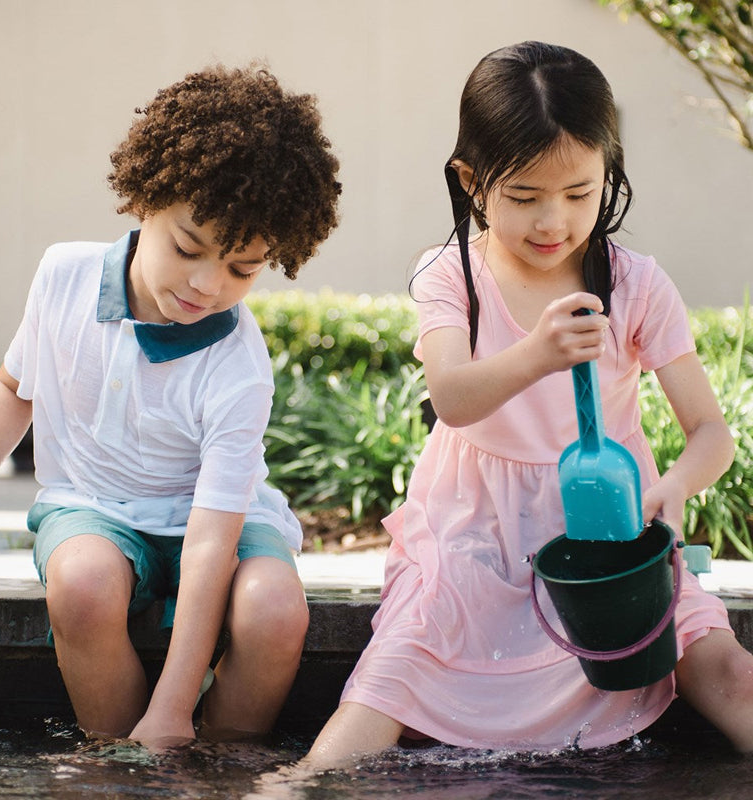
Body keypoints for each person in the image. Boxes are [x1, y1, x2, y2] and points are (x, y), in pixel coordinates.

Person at [305, 41, 753, 769]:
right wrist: (537, 353)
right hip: (471, 535)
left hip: (605, 538)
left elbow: (709, 431)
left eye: (580, 193)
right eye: (524, 197)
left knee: (728, 670)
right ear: (472, 181)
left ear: (609, 170)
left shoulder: (634, 284)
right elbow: (451, 398)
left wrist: (671, 489)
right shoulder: (450, 274)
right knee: (388, 682)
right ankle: (297, 786)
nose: (554, 222)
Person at [0, 64, 341, 748]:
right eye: (187, 247)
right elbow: (16, 388)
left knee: (275, 612)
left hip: (216, 522)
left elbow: (212, 542)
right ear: (145, 200)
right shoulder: (63, 278)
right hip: (94, 506)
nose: (205, 284)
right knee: (82, 587)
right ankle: (116, 766)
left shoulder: (237, 364)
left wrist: (174, 707)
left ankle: (216, 768)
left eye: (241, 268)